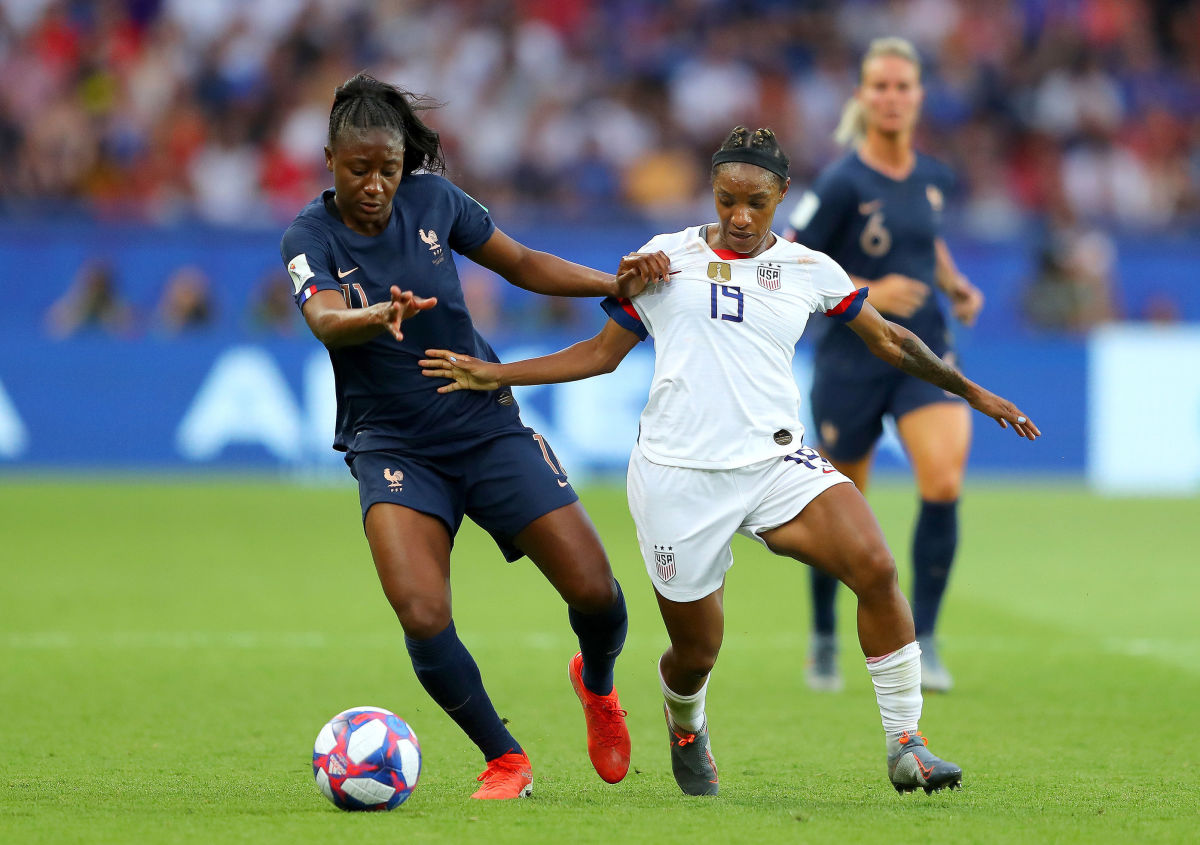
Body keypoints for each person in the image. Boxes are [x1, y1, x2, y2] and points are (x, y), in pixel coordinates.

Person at [420, 125, 1039, 797]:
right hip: (677, 476)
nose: (740, 217)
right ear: (712, 192)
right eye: (726, 200)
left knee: (877, 565)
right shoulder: (664, 258)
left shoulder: (811, 270)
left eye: (757, 204)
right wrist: (498, 373)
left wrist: (972, 391)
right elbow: (598, 354)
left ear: (782, 197)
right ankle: (686, 724)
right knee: (696, 652)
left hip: (775, 464)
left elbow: (888, 338)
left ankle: (907, 743)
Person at [280, 73, 666, 800]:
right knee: (422, 612)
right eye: (358, 169)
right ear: (329, 158)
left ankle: (599, 681)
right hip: (391, 446)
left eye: (387, 170)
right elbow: (326, 318)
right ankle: (505, 756)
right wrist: (372, 316)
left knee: (598, 595)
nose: (374, 185)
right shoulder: (308, 236)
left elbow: (521, 264)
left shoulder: (435, 201)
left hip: (485, 424)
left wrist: (611, 285)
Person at [782, 37, 986, 693]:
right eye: (881, 86)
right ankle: (822, 635)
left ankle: (923, 638)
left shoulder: (932, 176)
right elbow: (788, 261)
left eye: (903, 86)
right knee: (843, 510)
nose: (892, 97)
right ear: (862, 98)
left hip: (923, 349)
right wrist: (868, 287)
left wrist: (954, 284)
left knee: (945, 477)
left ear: (919, 96)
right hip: (853, 358)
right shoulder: (841, 183)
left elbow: (929, 241)